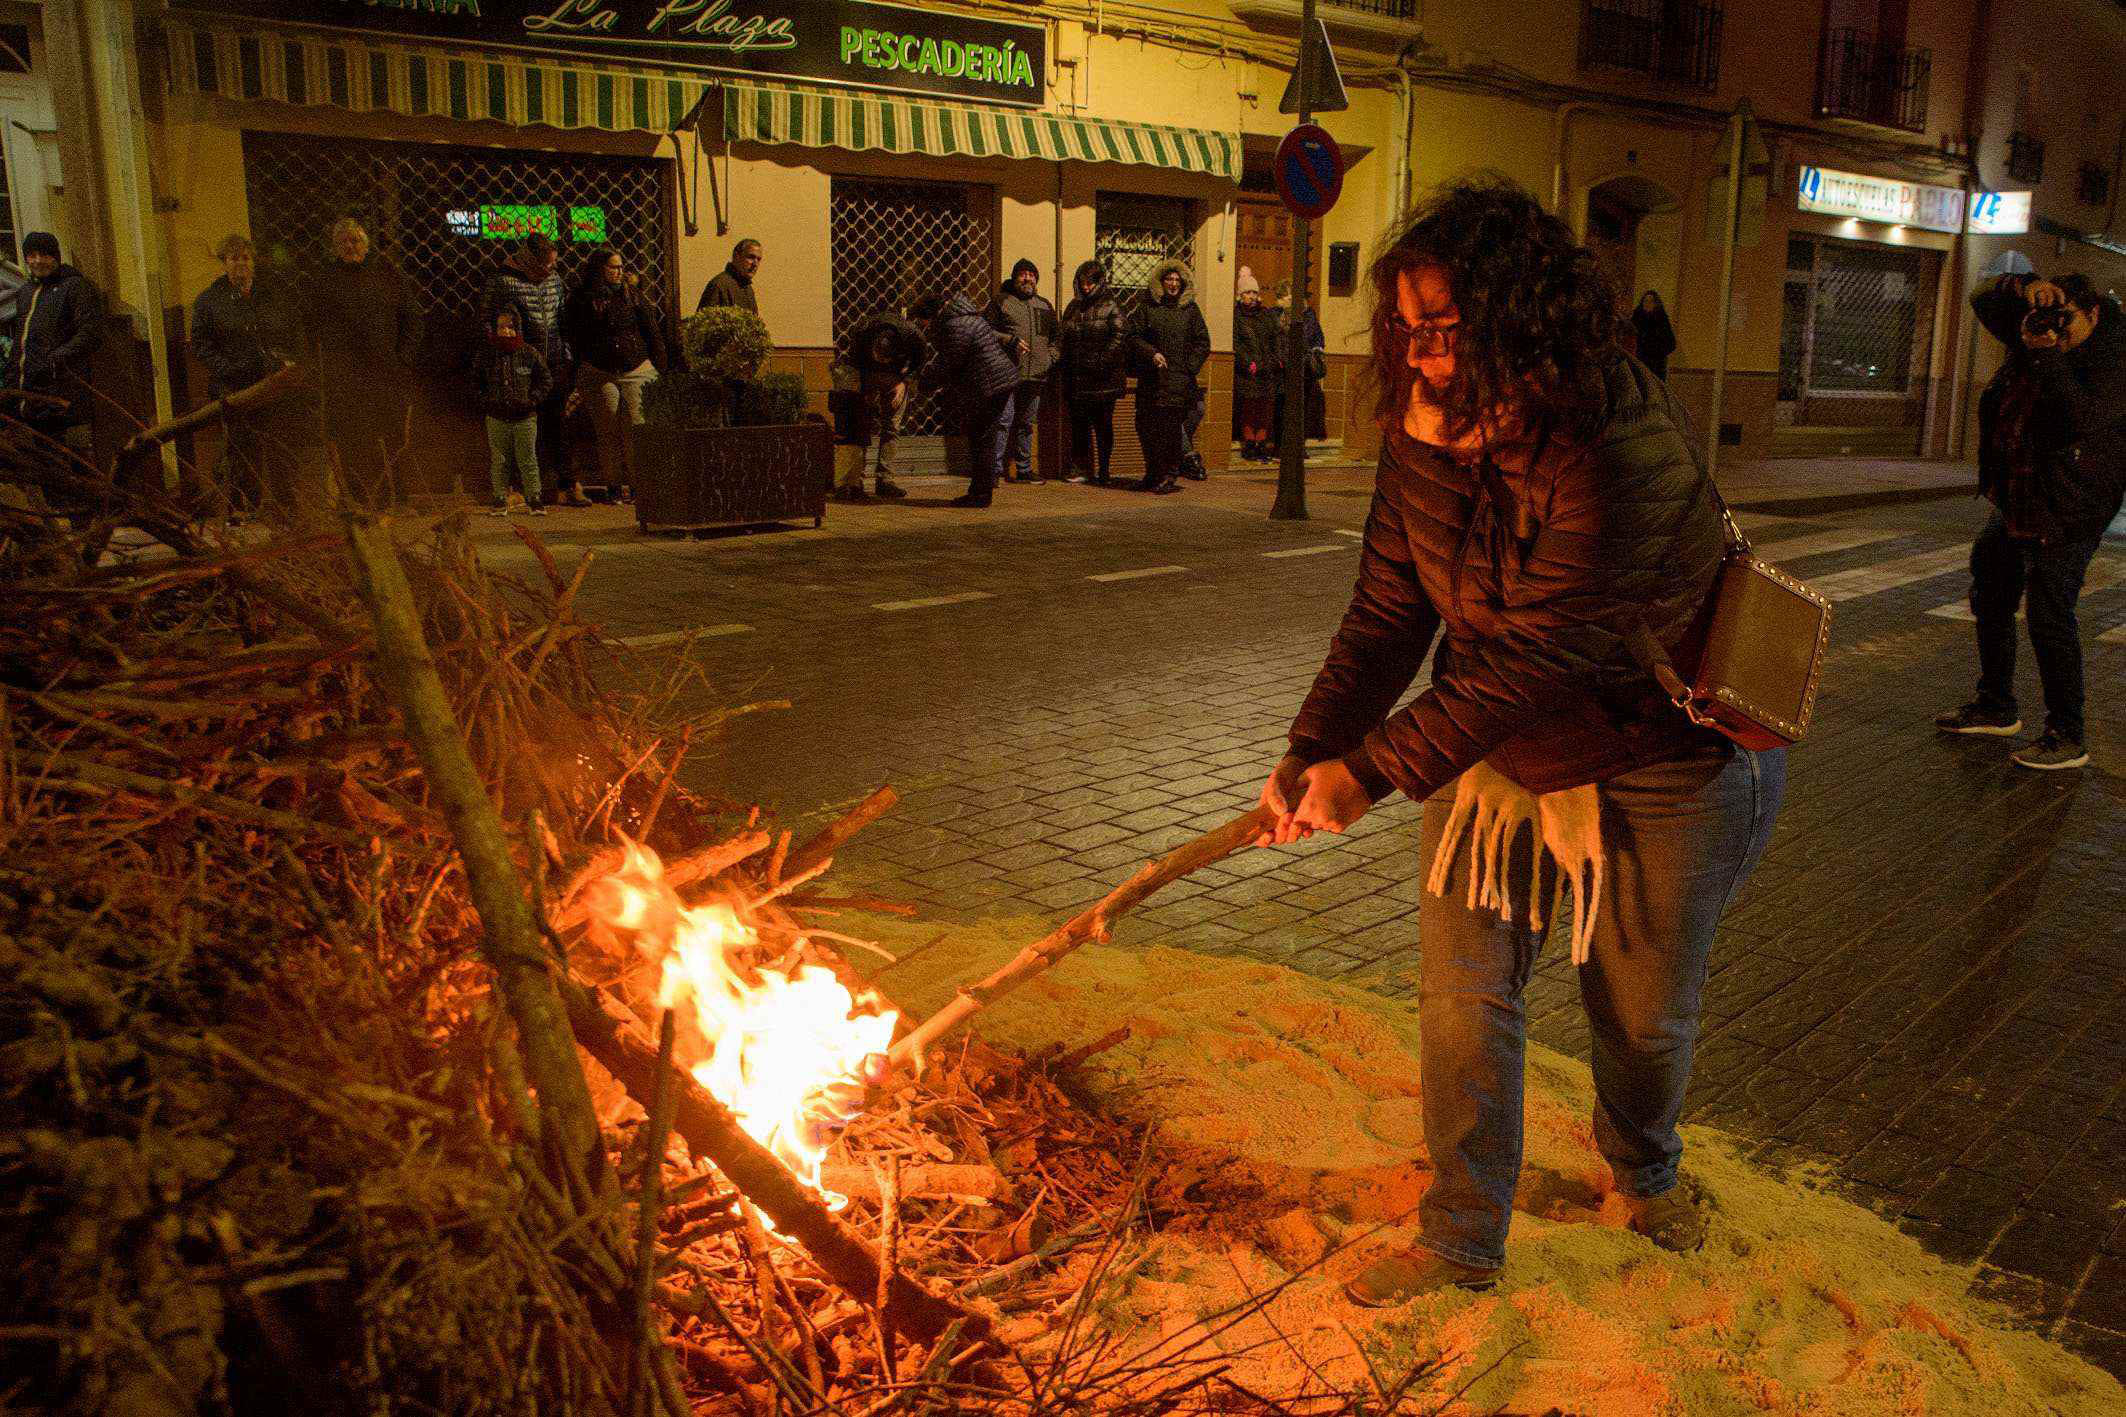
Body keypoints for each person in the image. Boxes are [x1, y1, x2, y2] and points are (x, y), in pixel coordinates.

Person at [1257, 180, 1783, 1303]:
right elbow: (1386, 610)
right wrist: (1314, 745)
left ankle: (1644, 1169)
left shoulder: (1616, 439)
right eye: (1405, 328)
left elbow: (1547, 652)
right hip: (1492, 753)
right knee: (1463, 996)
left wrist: (1373, 771)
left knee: (1639, 1020)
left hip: (1657, 755)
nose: (1423, 355)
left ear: (1519, 321)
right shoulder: (1421, 434)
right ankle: (1458, 1237)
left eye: (1445, 331)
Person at [1935, 267, 2126, 770]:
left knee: (2048, 613)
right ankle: (1996, 705)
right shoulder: (2033, 335)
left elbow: (2079, 419)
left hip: (2072, 506)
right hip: (2019, 499)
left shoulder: (2112, 358)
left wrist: (2046, 355)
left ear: (2095, 315)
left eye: (2068, 319)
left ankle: (2068, 732)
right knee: (1991, 590)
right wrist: (2025, 288)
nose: (2057, 328)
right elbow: (1981, 296)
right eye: (2052, 315)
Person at [305, 216, 419, 506]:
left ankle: (396, 495)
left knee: (392, 437)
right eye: (343, 241)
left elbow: (412, 318)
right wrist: (321, 365)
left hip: (384, 374)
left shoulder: (387, 274)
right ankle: (354, 497)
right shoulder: (324, 279)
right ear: (334, 247)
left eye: (355, 240)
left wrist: (402, 357)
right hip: (344, 379)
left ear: (366, 244)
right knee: (350, 440)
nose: (350, 246)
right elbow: (310, 325)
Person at [190, 233, 302, 519]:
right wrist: (227, 369)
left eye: (245, 258)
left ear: (253, 261)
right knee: (241, 448)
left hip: (273, 383)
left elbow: (289, 330)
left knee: (280, 445)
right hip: (235, 387)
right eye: (233, 258)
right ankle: (243, 508)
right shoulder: (209, 301)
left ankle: (286, 506)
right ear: (224, 263)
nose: (240, 263)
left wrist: (286, 360)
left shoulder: (271, 295)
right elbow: (202, 346)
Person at [562, 246, 668, 504]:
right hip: (599, 371)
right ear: (600, 269)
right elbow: (572, 333)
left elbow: (651, 331)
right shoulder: (582, 299)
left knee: (637, 425)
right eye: (613, 267)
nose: (619, 272)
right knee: (607, 427)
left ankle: (638, 484)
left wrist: (662, 366)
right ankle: (613, 484)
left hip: (635, 367)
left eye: (621, 266)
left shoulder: (632, 295)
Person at [484, 234, 582, 506]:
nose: (550, 268)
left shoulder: (554, 281)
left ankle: (568, 483)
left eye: (553, 263)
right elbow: (489, 320)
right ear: (530, 259)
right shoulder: (504, 281)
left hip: (555, 361)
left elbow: (562, 318)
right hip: (521, 364)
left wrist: (567, 355)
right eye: (546, 264)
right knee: (523, 428)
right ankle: (522, 487)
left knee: (561, 423)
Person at [914, 287, 1019, 508]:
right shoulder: (964, 316)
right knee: (985, 438)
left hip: (990, 385)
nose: (922, 327)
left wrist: (922, 384)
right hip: (997, 382)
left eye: (922, 321)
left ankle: (980, 495)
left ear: (931, 315)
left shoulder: (956, 325)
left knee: (981, 440)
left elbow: (949, 362)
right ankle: (981, 491)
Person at [5, 231, 104, 450]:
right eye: (32, 255)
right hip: (30, 397)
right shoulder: (26, 292)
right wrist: (11, 377)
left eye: (45, 255)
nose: (38, 261)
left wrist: (54, 359)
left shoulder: (75, 287)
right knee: (40, 462)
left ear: (56, 256)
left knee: (69, 461)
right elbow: (22, 340)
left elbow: (91, 334)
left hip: (62, 394)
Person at [1127, 260, 1209, 495]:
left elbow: (1202, 343)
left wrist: (1187, 368)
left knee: (1170, 432)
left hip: (1177, 383)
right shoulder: (1147, 307)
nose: (1173, 284)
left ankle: (1169, 475)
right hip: (1150, 381)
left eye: (1177, 280)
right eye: (1169, 280)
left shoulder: (1190, 310)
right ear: (1160, 282)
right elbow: (1133, 336)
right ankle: (1151, 474)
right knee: (1145, 428)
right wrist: (1151, 353)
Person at [472, 305, 554, 516]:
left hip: (524, 417)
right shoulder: (487, 355)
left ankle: (534, 498)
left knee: (527, 458)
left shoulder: (529, 353)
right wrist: (487, 401)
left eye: (510, 327)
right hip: (497, 417)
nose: (506, 331)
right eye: (501, 327)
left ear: (518, 328)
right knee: (499, 459)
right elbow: (476, 382)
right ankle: (500, 498)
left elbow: (545, 379)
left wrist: (532, 400)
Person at [838, 303, 924, 503]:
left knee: (892, 425)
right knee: (860, 423)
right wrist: (863, 392)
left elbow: (920, 361)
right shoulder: (863, 333)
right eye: (879, 358)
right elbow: (854, 363)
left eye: (885, 359)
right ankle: (854, 482)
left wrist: (905, 382)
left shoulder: (912, 336)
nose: (882, 362)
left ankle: (885, 480)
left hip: (897, 376)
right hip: (865, 372)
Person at [1058, 259, 1129, 485]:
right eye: (1082, 282)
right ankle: (1081, 468)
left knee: (1103, 426)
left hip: (1103, 379)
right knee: (1079, 426)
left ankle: (1105, 470)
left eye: (1090, 282)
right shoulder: (1073, 307)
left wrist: (1101, 361)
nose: (1086, 287)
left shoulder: (1111, 306)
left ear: (1100, 282)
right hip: (1078, 378)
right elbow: (1064, 336)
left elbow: (1120, 336)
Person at [987, 259, 1055, 482]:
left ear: (1036, 279)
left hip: (1036, 375)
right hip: (1008, 373)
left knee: (1027, 424)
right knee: (1003, 422)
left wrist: (1050, 358)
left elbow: (1056, 338)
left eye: (1031, 275)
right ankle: (994, 471)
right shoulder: (1001, 301)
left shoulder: (1044, 305)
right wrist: (1009, 340)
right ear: (1015, 278)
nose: (1027, 278)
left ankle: (1024, 469)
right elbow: (986, 331)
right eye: (1022, 274)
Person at [1272, 278, 1328, 456]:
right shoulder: (1275, 315)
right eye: (1287, 296)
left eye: (1293, 295)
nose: (1291, 299)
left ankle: (1299, 446)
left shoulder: (1308, 316)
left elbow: (1317, 338)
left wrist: (1316, 350)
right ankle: (1280, 445)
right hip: (1283, 372)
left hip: (1304, 372)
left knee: (1302, 410)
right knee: (1282, 409)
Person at [1232, 268, 1283, 462]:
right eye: (1247, 293)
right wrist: (1247, 362)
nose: (1251, 296)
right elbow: (1236, 344)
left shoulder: (1266, 315)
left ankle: (1261, 442)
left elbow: (1277, 339)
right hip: (1249, 372)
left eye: (1254, 292)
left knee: (1265, 409)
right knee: (1249, 408)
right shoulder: (1236, 317)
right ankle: (1249, 443)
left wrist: (1276, 360)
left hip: (1267, 370)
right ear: (1240, 295)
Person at [698, 238, 764, 321]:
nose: (755, 264)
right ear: (736, 257)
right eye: (751, 257)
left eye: (759, 259)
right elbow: (703, 327)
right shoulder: (719, 285)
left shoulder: (747, 287)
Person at [1631, 291, 1677, 382]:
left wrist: (1657, 352)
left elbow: (1671, 343)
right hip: (1638, 361)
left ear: (1656, 304)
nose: (1647, 304)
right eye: (1645, 301)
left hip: (1656, 366)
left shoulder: (1661, 320)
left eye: (1651, 301)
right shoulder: (1636, 319)